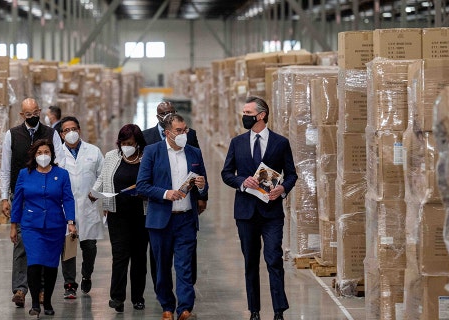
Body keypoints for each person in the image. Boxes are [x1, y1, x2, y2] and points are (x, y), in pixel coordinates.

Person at [221, 96, 298, 320]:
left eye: (247, 112)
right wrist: (242, 182)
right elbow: (226, 174)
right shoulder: (237, 143)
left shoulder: (280, 142)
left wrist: (282, 188)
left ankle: (278, 310)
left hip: (271, 212)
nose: (244, 116)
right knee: (250, 262)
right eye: (243, 113)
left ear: (261, 115)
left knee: (273, 258)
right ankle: (254, 310)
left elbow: (292, 174)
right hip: (245, 213)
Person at [137, 114, 208, 320]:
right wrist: (166, 193)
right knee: (162, 265)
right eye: (179, 131)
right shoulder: (152, 152)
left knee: (184, 266)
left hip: (185, 218)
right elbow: (142, 185)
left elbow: (203, 185)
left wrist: (202, 188)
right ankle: (167, 305)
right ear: (167, 133)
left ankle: (185, 308)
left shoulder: (194, 153)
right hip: (161, 220)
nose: (183, 134)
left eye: (185, 130)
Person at [0, 98, 65, 308]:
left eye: (35, 112)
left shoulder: (51, 134)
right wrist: (4, 197)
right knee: (21, 243)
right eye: (28, 114)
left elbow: (61, 162)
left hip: (47, 196)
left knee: (45, 245)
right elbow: (4, 167)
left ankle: (43, 290)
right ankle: (20, 288)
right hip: (22, 196)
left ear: (40, 111)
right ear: (22, 116)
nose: (32, 117)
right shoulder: (12, 135)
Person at [9, 139, 77, 317]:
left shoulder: (61, 174)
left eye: (46, 152)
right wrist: (13, 226)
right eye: (39, 153)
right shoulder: (25, 174)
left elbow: (68, 199)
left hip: (55, 226)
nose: (43, 156)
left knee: (50, 266)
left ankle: (46, 301)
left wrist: (71, 222)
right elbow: (17, 202)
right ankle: (34, 304)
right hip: (31, 226)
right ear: (34, 155)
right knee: (34, 263)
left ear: (52, 154)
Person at [90, 124, 149, 313]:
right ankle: (117, 297)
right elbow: (104, 178)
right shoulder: (111, 157)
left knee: (139, 257)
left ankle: (138, 297)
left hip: (142, 215)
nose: (126, 146)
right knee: (120, 256)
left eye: (130, 143)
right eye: (123, 143)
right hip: (118, 215)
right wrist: (94, 192)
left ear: (138, 143)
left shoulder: (147, 158)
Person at [58, 116, 105, 299]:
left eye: (74, 129)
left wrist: (97, 193)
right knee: (68, 247)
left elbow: (103, 176)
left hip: (88, 206)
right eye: (66, 130)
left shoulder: (93, 151)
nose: (71, 133)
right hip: (66, 208)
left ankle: (87, 274)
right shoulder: (57, 155)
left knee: (90, 247)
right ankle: (70, 284)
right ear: (61, 135)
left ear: (80, 130)